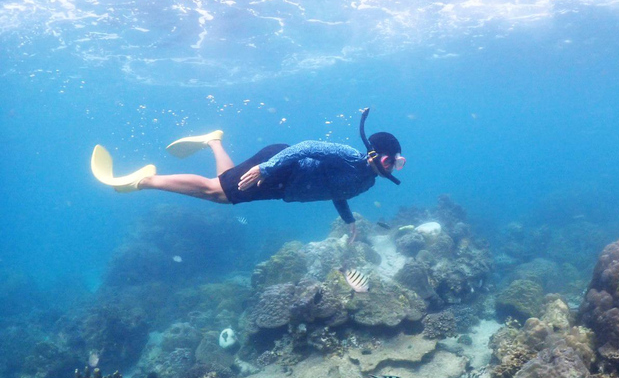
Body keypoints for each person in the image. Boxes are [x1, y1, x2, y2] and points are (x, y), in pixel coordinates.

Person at [91, 109, 405, 242]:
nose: (391, 169)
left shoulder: (366, 181)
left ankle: (213, 140)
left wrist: (349, 222)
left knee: (225, 188)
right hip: (280, 165)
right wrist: (265, 168)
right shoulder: (350, 157)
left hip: (283, 187)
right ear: (374, 154)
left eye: (396, 165)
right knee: (219, 193)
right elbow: (307, 146)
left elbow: (339, 192)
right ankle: (145, 179)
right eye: (391, 162)